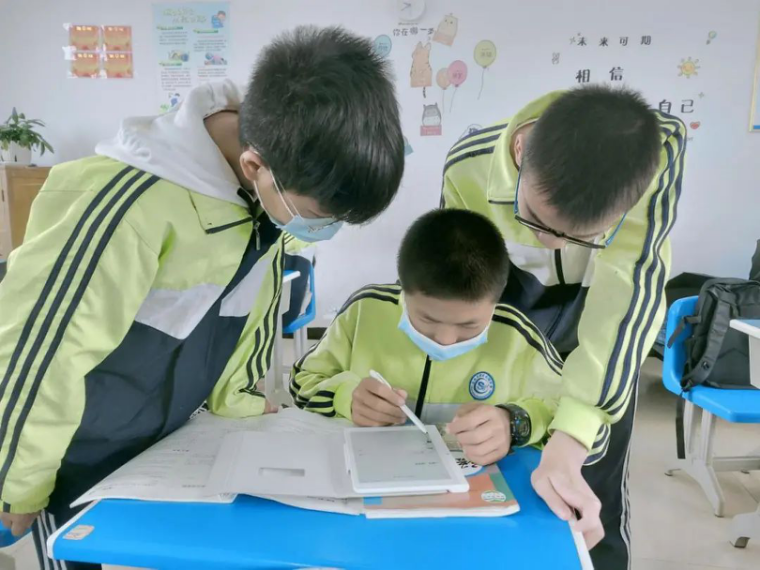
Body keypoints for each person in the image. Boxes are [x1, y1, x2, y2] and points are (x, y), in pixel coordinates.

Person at [0, 26, 404, 569]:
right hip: (71, 455)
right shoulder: (129, 206)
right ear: (256, 167)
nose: (324, 231)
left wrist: (238, 394)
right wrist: (17, 480)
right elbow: (41, 351)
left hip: (162, 446)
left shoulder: (264, 197)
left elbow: (248, 306)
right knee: (78, 553)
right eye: (318, 216)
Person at [441, 85, 686, 568]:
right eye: (534, 219)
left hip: (603, 313)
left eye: (582, 236)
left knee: (592, 490)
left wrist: (573, 436)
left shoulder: (652, 155)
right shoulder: (467, 167)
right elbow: (469, 289)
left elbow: (628, 292)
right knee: (497, 463)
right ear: (519, 151)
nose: (552, 243)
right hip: (515, 309)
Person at [290, 209, 589, 479]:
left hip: (475, 498)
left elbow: (576, 414)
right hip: (372, 483)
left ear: (495, 301)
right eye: (427, 319)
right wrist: (346, 398)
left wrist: (514, 423)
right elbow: (302, 381)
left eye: (469, 325)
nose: (445, 340)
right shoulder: (365, 313)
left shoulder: (517, 337)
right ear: (404, 290)